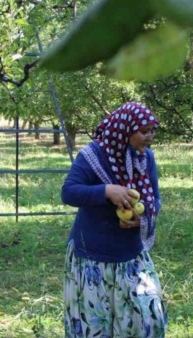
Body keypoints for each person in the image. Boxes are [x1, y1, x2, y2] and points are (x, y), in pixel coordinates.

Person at [61, 101, 167, 337]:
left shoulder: (145, 158)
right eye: (144, 131)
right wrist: (107, 191)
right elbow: (68, 192)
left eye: (152, 130)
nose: (150, 136)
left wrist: (143, 218)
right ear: (125, 130)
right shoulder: (93, 155)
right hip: (92, 256)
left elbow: (155, 199)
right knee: (94, 326)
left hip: (131, 253)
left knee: (147, 320)